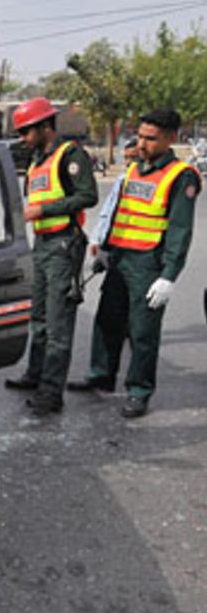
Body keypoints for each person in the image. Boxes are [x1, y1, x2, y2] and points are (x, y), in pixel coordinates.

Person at [68, 109, 199, 418]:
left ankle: (139, 390)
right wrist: (105, 247)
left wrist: (169, 276)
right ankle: (101, 374)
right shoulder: (136, 169)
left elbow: (180, 230)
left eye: (150, 139)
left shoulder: (181, 177)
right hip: (120, 258)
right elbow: (119, 212)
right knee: (108, 321)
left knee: (142, 332)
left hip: (148, 263)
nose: (141, 143)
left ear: (170, 138)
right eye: (139, 136)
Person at [4, 97, 98, 416]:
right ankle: (35, 374)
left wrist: (45, 209)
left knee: (58, 324)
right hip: (43, 244)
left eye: (27, 131)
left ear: (45, 126)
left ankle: (51, 392)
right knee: (39, 318)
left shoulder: (69, 155)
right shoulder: (36, 161)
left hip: (62, 245)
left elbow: (88, 196)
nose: (22, 138)